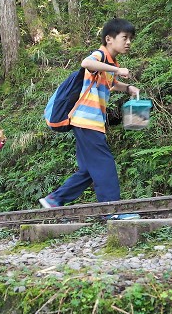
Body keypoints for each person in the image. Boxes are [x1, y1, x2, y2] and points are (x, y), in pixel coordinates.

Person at [39, 18, 141, 219]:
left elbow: (109, 84)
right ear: (109, 39)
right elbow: (86, 63)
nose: (128, 42)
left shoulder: (110, 63)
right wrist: (116, 70)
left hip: (91, 121)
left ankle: (55, 199)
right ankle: (111, 211)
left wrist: (128, 88)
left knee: (88, 169)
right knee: (104, 163)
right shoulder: (101, 55)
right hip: (86, 120)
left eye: (131, 39)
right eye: (125, 38)